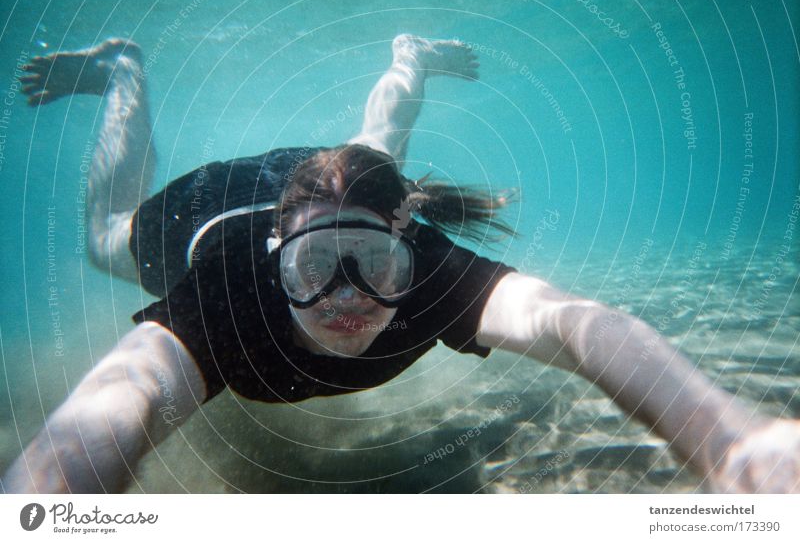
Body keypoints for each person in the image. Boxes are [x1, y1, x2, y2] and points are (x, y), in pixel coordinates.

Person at [3, 35, 799, 494]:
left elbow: (577, 326)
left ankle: (407, 55)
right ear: (275, 258)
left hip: (332, 190)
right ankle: (123, 71)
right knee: (106, 238)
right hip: (212, 204)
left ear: (407, 240)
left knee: (377, 156)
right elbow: (125, 396)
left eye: (377, 264)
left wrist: (733, 439)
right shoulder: (225, 299)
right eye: (313, 267)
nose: (343, 297)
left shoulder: (427, 263)